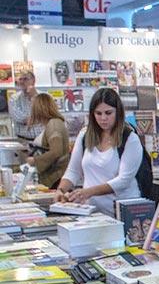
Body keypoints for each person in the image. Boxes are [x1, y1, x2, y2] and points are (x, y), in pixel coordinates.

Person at [56, 88, 143, 216]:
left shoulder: (130, 138)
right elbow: (73, 171)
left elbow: (123, 180)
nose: (103, 118)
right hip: (92, 212)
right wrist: (61, 190)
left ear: (118, 112)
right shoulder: (85, 135)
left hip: (122, 212)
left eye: (108, 113)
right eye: (98, 113)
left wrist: (88, 192)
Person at [24, 93, 69, 189]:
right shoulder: (54, 123)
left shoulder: (53, 125)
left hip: (56, 177)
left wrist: (35, 160)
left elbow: (56, 151)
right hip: (56, 176)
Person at [10, 71, 44, 142]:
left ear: (33, 81)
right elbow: (20, 119)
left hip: (43, 139)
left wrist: (34, 97)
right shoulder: (14, 99)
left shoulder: (45, 96)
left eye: (25, 79)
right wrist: (39, 119)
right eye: (20, 79)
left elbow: (48, 115)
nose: (22, 82)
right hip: (22, 140)